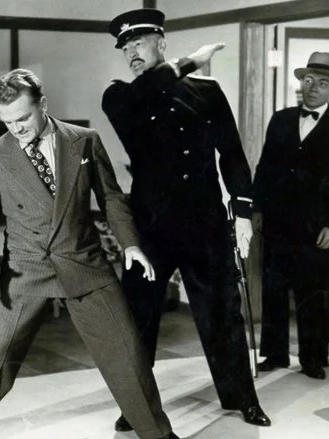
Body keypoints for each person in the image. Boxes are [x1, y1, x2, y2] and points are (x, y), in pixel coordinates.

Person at [0, 68, 180, 439]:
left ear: (43, 104)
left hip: (84, 262)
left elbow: (111, 197)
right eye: (7, 122)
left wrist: (131, 244)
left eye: (23, 118)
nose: (16, 128)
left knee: (127, 354)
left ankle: (159, 436)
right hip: (26, 269)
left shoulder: (84, 141)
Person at [101, 8, 271, 430]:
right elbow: (150, 90)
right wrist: (191, 61)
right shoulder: (120, 96)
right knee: (139, 318)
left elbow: (231, 153)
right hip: (150, 228)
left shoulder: (208, 92)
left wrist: (243, 212)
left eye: (139, 43)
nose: (131, 53)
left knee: (222, 313)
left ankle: (242, 398)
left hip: (204, 223)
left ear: (161, 42)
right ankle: (135, 405)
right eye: (125, 47)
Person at [252, 51, 329, 380]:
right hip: (276, 222)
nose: (313, 88)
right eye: (308, 81)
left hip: (316, 227)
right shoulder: (280, 120)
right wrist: (256, 207)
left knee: (311, 292)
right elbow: (265, 167)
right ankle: (274, 354)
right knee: (273, 290)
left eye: (322, 83)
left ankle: (312, 359)